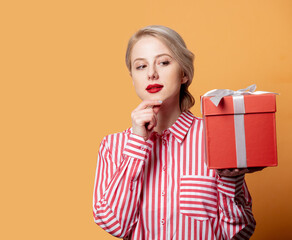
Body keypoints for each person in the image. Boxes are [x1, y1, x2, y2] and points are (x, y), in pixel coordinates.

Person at [92, 25, 259, 239]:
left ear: (184, 73)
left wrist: (231, 180)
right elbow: (114, 225)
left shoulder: (215, 137)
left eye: (163, 62)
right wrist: (137, 144)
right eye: (141, 66)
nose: (152, 73)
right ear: (133, 78)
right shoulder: (112, 146)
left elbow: (240, 234)